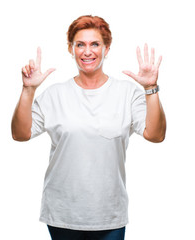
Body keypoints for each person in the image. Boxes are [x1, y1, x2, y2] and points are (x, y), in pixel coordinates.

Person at [11, 15, 166, 240]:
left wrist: (151, 87)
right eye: (80, 44)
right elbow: (20, 133)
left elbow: (156, 134)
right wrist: (27, 91)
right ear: (70, 49)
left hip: (109, 214)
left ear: (107, 48)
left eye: (95, 44)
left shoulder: (126, 93)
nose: (87, 51)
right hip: (63, 213)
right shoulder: (55, 95)